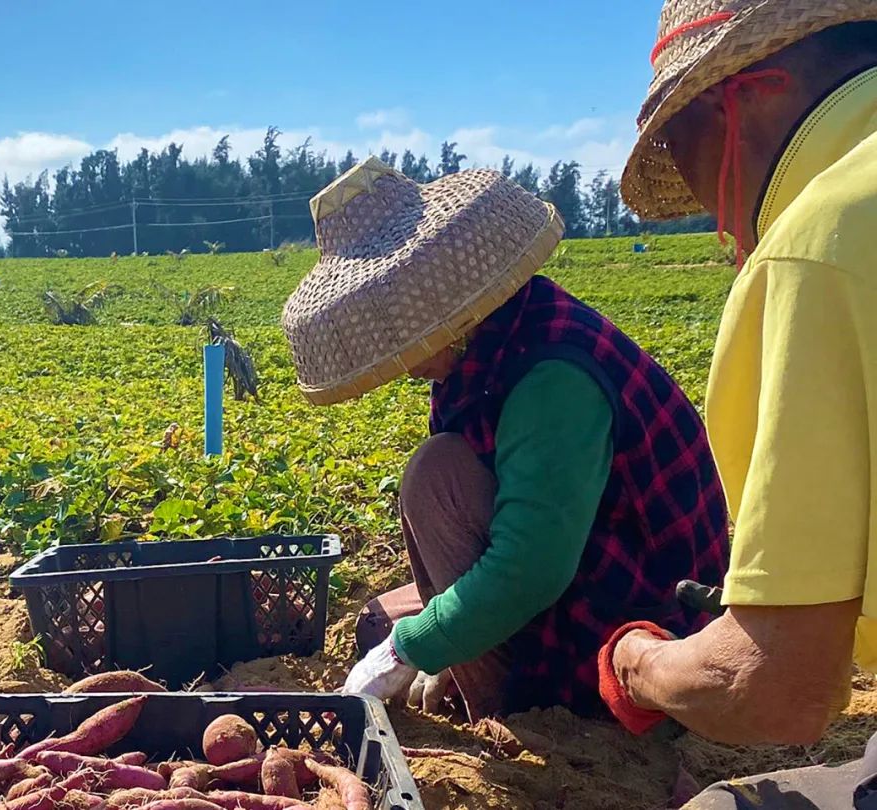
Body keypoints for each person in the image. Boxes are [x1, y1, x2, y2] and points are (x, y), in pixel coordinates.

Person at [281, 156, 729, 722]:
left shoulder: (552, 378)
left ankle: (522, 714)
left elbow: (531, 565)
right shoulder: (491, 344)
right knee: (442, 470)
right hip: (589, 556)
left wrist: (407, 648)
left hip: (652, 622)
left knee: (436, 478)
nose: (403, 361)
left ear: (448, 309)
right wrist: (449, 644)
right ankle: (496, 676)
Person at [599, 1, 877, 805]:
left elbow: (778, 688)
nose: (713, 211)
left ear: (753, 91)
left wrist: (638, 664)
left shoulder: (818, 245)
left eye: (684, 144)